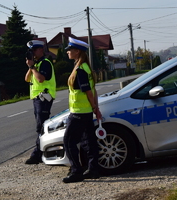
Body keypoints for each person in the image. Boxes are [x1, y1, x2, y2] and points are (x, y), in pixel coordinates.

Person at [62, 37, 102, 183]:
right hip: (86, 112)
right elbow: (93, 90)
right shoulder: (84, 67)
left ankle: (76, 171)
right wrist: (95, 109)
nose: (67, 52)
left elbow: (89, 93)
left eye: (69, 50)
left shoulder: (80, 70)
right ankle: (93, 170)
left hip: (79, 113)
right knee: (89, 141)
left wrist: (95, 108)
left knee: (68, 141)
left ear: (77, 51)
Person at [24, 40, 56, 164]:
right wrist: (30, 66)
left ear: (40, 50)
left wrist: (32, 67)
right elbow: (27, 79)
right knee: (41, 126)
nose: (32, 53)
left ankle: (37, 154)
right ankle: (43, 151)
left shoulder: (45, 63)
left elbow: (41, 79)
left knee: (40, 127)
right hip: (37, 99)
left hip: (44, 98)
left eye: (34, 51)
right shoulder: (36, 64)